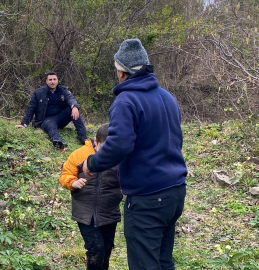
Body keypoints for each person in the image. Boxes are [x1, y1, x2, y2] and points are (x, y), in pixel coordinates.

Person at [83, 39, 188, 270]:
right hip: (175, 192)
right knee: (162, 261)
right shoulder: (167, 97)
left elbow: (119, 145)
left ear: (122, 72)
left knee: (144, 264)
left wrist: (92, 163)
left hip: (148, 197)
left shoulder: (126, 100)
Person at [59, 123, 122, 270]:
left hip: (109, 213)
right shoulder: (80, 154)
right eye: (103, 148)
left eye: (111, 149)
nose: (107, 153)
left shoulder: (119, 156)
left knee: (106, 250)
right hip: (85, 213)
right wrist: (73, 182)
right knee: (96, 250)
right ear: (95, 141)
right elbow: (65, 174)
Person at [15, 72, 87, 149]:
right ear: (46, 81)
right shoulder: (38, 93)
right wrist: (24, 124)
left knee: (73, 109)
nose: (52, 82)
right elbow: (31, 109)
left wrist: (74, 107)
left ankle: (83, 137)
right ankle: (57, 141)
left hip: (60, 118)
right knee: (51, 125)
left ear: (57, 80)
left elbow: (70, 98)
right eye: (50, 80)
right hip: (45, 119)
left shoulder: (62, 90)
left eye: (54, 79)